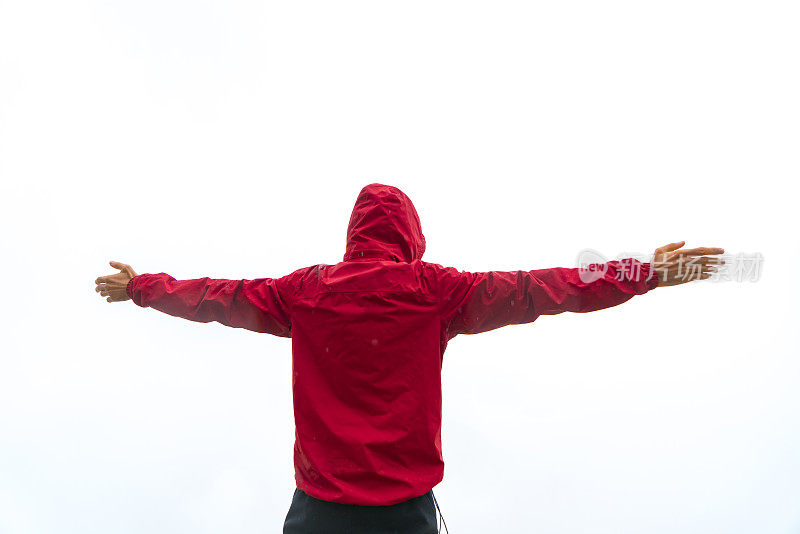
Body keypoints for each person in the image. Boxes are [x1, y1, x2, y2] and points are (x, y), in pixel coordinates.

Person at [95, 183, 724, 533]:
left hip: (320, 513)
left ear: (353, 235)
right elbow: (542, 289)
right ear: (411, 238)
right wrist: (640, 273)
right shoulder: (436, 292)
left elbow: (216, 297)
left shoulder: (305, 292)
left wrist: (141, 287)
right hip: (404, 517)